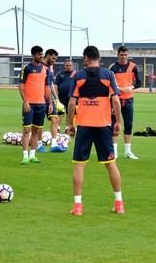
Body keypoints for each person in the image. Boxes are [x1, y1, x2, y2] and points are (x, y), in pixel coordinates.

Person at [66, 45, 124, 216]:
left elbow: (71, 103)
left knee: (79, 165)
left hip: (84, 126)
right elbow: (116, 101)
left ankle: (78, 206)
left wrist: (70, 124)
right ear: (98, 58)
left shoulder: (78, 76)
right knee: (110, 164)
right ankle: (119, 203)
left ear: (85, 58)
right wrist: (118, 122)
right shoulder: (108, 75)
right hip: (103, 125)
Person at [18, 45, 52, 165]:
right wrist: (25, 101)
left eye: (42, 54)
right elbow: (21, 85)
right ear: (33, 55)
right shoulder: (26, 68)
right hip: (29, 104)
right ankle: (25, 156)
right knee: (26, 130)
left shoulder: (45, 69)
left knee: (36, 131)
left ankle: (33, 155)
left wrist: (50, 103)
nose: (41, 56)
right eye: (39, 54)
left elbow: (47, 87)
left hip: (41, 104)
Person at [109, 45, 142, 160]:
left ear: (128, 55)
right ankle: (114, 151)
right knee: (114, 124)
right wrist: (118, 88)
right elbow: (108, 82)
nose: (123, 57)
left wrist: (131, 87)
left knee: (129, 124)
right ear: (118, 55)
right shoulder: (112, 68)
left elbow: (139, 82)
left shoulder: (133, 67)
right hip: (115, 99)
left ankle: (128, 151)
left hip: (128, 99)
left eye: (125, 55)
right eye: (121, 55)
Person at [43, 48, 65, 152]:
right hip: (39, 96)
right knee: (38, 124)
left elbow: (50, 82)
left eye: (55, 59)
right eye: (53, 58)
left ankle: (54, 144)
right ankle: (39, 145)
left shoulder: (51, 67)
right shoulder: (40, 67)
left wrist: (55, 97)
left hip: (49, 98)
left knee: (55, 119)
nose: (54, 60)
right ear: (47, 55)